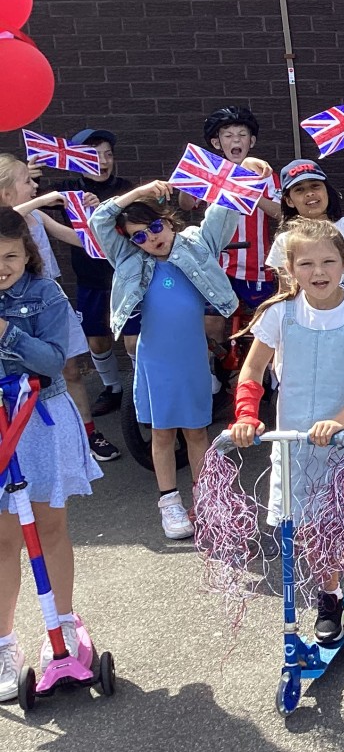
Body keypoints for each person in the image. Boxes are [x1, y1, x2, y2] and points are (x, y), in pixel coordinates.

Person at [230, 219, 344, 671]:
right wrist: (246, 414)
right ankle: (329, 597)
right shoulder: (279, 314)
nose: (318, 272)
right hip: (295, 443)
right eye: (306, 264)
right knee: (312, 530)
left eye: (327, 262)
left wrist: (339, 422)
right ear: (290, 268)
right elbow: (252, 371)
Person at [90, 179, 243, 539]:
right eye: (139, 236)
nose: (151, 238)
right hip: (155, 360)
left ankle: (206, 499)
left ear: (170, 221)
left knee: (197, 431)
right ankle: (169, 502)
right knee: (162, 433)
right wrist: (136, 194)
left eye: (155, 226)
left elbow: (224, 211)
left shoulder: (197, 245)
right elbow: (99, 221)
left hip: (193, 358)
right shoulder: (129, 259)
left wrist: (239, 172)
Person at [0, 207, 104, 703]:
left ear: (27, 253)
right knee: (3, 539)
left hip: (39, 420)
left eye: (9, 256)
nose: (1, 268)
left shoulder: (45, 294)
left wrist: (6, 331)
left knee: (50, 527)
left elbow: (52, 360)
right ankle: (4, 643)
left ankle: (61, 625)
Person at [1, 154, 120, 462]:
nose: (34, 186)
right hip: (17, 308)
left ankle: (87, 433)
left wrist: (94, 214)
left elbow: (80, 239)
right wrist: (41, 201)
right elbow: (11, 218)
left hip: (50, 302)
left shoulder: (37, 216)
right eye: (27, 181)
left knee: (70, 369)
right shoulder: (18, 217)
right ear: (6, 193)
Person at [191, 107, 282, 388]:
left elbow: (281, 212)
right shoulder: (210, 171)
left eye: (242, 134)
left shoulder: (263, 173)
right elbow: (186, 205)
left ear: (251, 141)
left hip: (256, 264)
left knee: (264, 325)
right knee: (211, 323)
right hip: (216, 264)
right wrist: (189, 182)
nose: (236, 140)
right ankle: (215, 375)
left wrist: (250, 192)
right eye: (228, 135)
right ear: (217, 142)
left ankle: (271, 377)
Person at [52, 129, 138, 420]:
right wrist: (33, 173)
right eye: (94, 155)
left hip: (124, 276)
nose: (103, 161)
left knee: (133, 340)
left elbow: (135, 225)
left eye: (108, 154)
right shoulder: (66, 189)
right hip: (89, 278)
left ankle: (141, 390)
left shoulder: (124, 188)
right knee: (97, 341)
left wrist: (102, 210)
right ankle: (113, 388)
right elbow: (30, 201)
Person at [265, 137, 344, 296]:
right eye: (299, 190)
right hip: (306, 312)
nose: (310, 193)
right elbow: (286, 291)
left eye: (315, 186)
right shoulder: (284, 241)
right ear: (289, 201)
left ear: (327, 191)